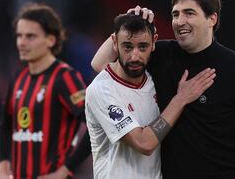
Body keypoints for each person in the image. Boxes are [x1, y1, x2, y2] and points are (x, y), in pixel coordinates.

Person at [91, 0, 235, 179]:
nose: (179, 21)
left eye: (189, 13)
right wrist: (129, 18)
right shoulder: (160, 55)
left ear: (212, 19)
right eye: (175, 14)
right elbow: (100, 64)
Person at [84, 13, 215, 179]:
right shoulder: (102, 89)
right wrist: (181, 99)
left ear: (154, 42)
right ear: (115, 42)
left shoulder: (153, 79)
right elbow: (144, 143)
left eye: (143, 47)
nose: (135, 56)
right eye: (127, 47)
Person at [0, 3, 91, 179]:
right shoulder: (18, 78)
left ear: (51, 40)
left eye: (30, 36)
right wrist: (2, 165)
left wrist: (65, 171)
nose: (22, 43)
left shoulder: (65, 78)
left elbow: (95, 125)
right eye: (19, 36)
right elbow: (5, 125)